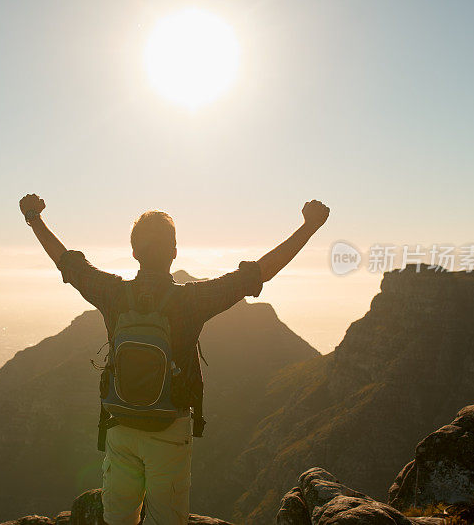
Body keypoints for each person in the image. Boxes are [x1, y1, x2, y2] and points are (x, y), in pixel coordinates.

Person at [19, 194, 329, 525]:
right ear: (174, 252)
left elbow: (67, 262)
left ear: (134, 252)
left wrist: (34, 218)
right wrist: (309, 226)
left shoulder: (111, 292)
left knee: (117, 519)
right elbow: (257, 274)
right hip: (169, 428)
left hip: (119, 424)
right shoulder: (192, 300)